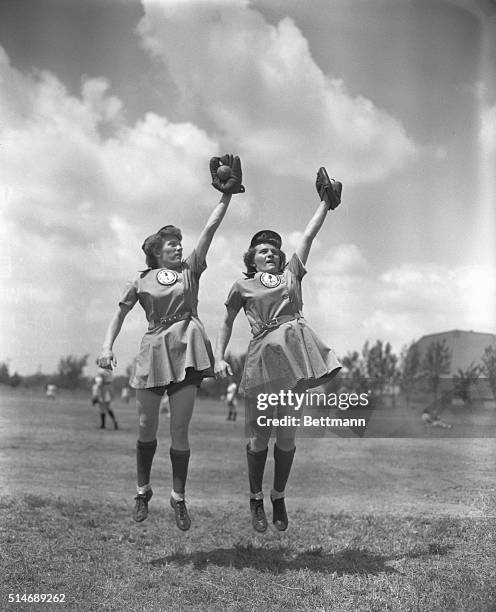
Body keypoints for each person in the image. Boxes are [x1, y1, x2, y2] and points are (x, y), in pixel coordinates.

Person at [97, 155, 244, 531]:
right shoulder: (141, 279)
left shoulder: (190, 271)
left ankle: (178, 499)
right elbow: (119, 315)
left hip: (188, 346)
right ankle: (142, 490)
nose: (179, 248)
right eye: (172, 245)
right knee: (146, 426)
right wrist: (107, 347)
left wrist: (225, 198)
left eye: (180, 244)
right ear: (156, 252)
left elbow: (209, 233)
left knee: (180, 430)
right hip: (152, 350)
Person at [215, 172, 342, 533]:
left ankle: (278, 495)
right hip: (261, 361)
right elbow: (226, 320)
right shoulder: (242, 284)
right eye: (262, 251)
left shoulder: (291, 275)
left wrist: (324, 203)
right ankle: (255, 498)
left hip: (295, 359)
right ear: (252, 259)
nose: (269, 253)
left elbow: (308, 236)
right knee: (259, 437)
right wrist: (220, 356)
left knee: (286, 436)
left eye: (274, 250)